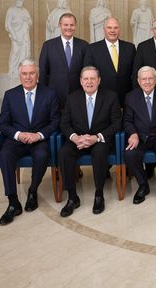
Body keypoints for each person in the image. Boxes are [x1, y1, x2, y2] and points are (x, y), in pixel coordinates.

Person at [0, 59, 60, 225]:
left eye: (32, 73)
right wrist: (18, 134)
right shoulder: (10, 95)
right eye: (24, 74)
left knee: (42, 155)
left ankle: (32, 191)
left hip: (39, 140)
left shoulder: (49, 93)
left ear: (37, 75)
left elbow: (55, 121)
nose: (28, 77)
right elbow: (2, 123)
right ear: (20, 76)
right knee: (4, 155)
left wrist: (39, 135)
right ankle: (13, 201)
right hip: (16, 140)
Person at [58, 66, 121, 217]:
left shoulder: (110, 97)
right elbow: (64, 123)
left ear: (99, 81)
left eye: (93, 78)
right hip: (78, 139)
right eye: (86, 79)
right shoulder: (72, 98)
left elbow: (117, 123)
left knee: (99, 153)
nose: (89, 82)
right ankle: (72, 197)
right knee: (64, 153)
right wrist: (75, 137)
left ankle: (99, 195)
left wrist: (97, 137)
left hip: (100, 139)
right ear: (80, 81)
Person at [124, 67, 156, 204]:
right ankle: (143, 185)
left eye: (150, 78)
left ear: (155, 79)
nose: (147, 82)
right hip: (140, 137)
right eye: (144, 79)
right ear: (138, 80)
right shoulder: (130, 97)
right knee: (130, 154)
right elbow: (127, 121)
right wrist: (133, 134)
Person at [38, 13, 88, 109]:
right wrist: (43, 94)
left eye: (72, 25)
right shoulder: (48, 45)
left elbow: (87, 70)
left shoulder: (84, 45)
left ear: (75, 26)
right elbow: (43, 71)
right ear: (59, 25)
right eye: (66, 25)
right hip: (54, 94)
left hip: (78, 95)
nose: (69, 28)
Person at [83, 17, 135, 106]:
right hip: (101, 98)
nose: (112, 30)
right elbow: (88, 74)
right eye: (109, 27)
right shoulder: (92, 49)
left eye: (115, 28)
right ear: (104, 29)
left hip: (126, 98)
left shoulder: (130, 48)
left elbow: (134, 74)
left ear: (119, 30)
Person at [5, 0, 32, 75]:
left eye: (21, 1)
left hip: (24, 35)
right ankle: (12, 69)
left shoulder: (25, 11)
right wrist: (14, 36)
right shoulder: (11, 10)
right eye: (18, 0)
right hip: (16, 35)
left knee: (24, 52)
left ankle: (22, 69)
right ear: (15, 1)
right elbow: (8, 24)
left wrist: (27, 20)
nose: (19, 2)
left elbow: (30, 22)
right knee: (15, 52)